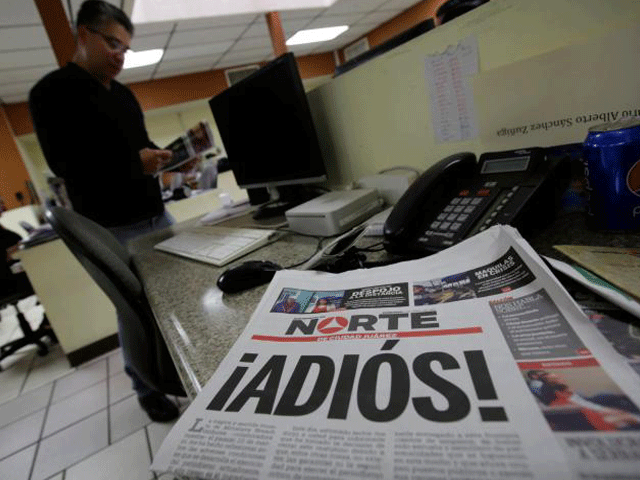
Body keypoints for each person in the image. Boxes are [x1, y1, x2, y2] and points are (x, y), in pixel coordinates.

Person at [29, 1, 179, 422]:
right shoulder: (52, 92)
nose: (120, 54)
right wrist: (137, 165)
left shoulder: (126, 94)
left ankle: (180, 363)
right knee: (134, 312)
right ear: (83, 34)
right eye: (113, 43)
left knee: (175, 293)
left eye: (126, 48)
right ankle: (147, 388)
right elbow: (66, 164)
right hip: (113, 227)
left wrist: (158, 159)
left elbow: (139, 145)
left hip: (155, 214)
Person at [526, 369, 640, 431]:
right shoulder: (539, 386)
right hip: (607, 421)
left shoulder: (564, 393)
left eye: (546, 374)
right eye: (544, 376)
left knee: (608, 396)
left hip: (581, 401)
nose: (555, 376)